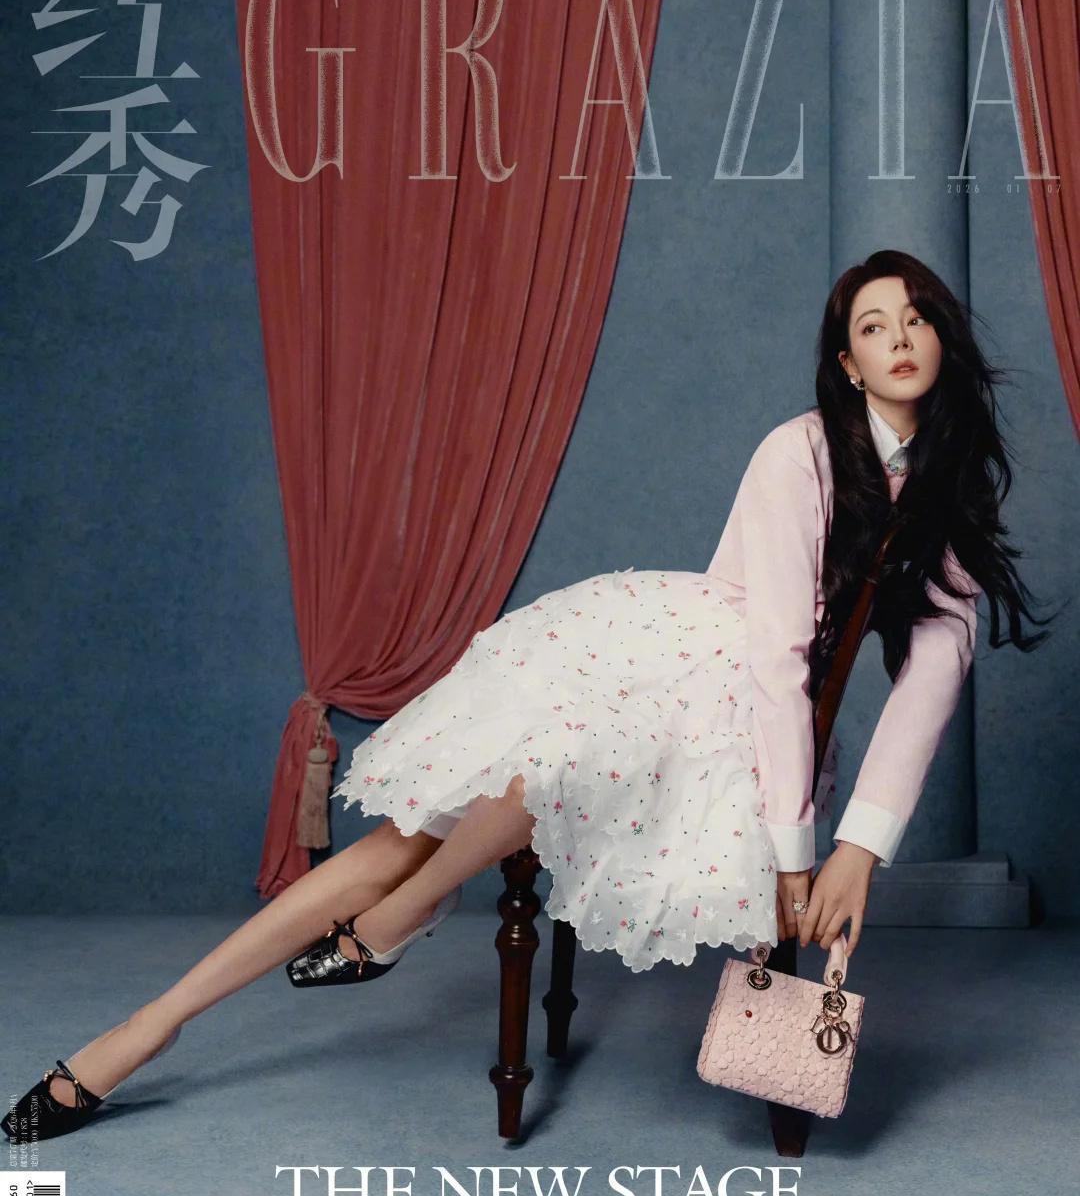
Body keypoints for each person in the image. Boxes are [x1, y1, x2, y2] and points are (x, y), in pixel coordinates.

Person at [3, 248, 1050, 1143]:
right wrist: (796, 852)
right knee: (430, 825)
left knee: (515, 788)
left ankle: (375, 927)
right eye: (873, 325)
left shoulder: (949, 480)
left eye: (916, 318)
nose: (900, 337)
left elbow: (939, 661)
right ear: (847, 362)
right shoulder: (802, 449)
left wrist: (859, 845)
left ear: (942, 339)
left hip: (740, 733)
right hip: (681, 659)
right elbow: (777, 653)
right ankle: (161, 1021)